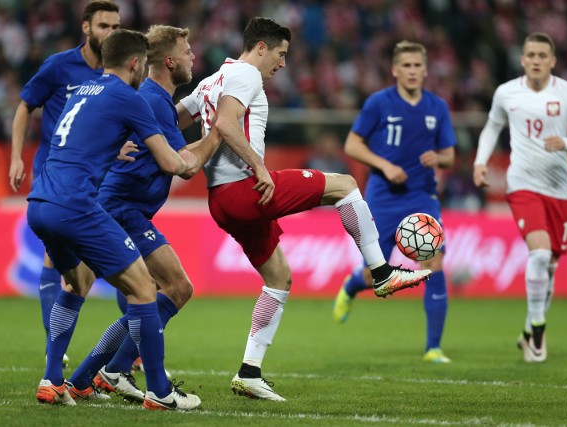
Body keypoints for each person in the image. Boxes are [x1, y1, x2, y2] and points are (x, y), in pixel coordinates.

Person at [177, 17, 432, 401]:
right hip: (246, 189)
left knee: (279, 277)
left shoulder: (212, 80)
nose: (282, 63)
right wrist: (259, 166)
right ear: (261, 47)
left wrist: (145, 143)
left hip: (220, 201)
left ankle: (249, 371)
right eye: (280, 54)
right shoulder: (247, 74)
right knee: (345, 185)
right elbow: (228, 125)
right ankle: (381, 273)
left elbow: (174, 116)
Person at [27, 29, 200, 410]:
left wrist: (110, 150)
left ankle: (53, 379)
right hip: (78, 205)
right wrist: (215, 137)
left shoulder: (84, 90)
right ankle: (158, 391)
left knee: (74, 286)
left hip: (40, 201)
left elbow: (68, 143)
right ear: (137, 64)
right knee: (143, 290)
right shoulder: (130, 97)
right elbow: (174, 164)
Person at [65, 24, 220, 404]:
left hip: (123, 208)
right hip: (121, 209)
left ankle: (91, 376)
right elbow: (182, 163)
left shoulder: (157, 100)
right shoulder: (151, 99)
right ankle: (134, 381)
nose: (192, 57)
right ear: (169, 60)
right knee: (172, 288)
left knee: (149, 293)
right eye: (186, 51)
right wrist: (220, 133)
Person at [473, 32, 567, 363]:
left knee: (551, 266)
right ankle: (539, 333)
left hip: (560, 190)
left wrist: (565, 143)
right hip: (522, 185)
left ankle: (527, 332)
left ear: (552, 61)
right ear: (523, 59)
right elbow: (491, 128)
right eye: (531, 54)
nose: (537, 60)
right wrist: (480, 162)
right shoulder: (506, 93)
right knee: (540, 255)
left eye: (543, 55)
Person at [9, 1, 121, 368]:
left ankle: (127, 349)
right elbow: (26, 105)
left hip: (98, 175)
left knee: (123, 254)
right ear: (86, 28)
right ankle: (52, 345)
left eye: (116, 27)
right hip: (56, 173)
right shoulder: (59, 66)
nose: (111, 33)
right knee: (54, 256)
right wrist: (15, 157)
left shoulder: (115, 73)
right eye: (104, 26)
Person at [332, 41, 457, 364]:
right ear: (395, 70)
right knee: (378, 277)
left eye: (418, 65)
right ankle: (352, 285)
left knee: (435, 265)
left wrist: (439, 158)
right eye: (407, 65)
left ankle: (433, 348)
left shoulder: (437, 107)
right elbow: (352, 144)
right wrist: (384, 165)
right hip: (383, 198)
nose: (413, 71)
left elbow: (450, 154)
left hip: (422, 197)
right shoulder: (379, 103)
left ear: (426, 70)